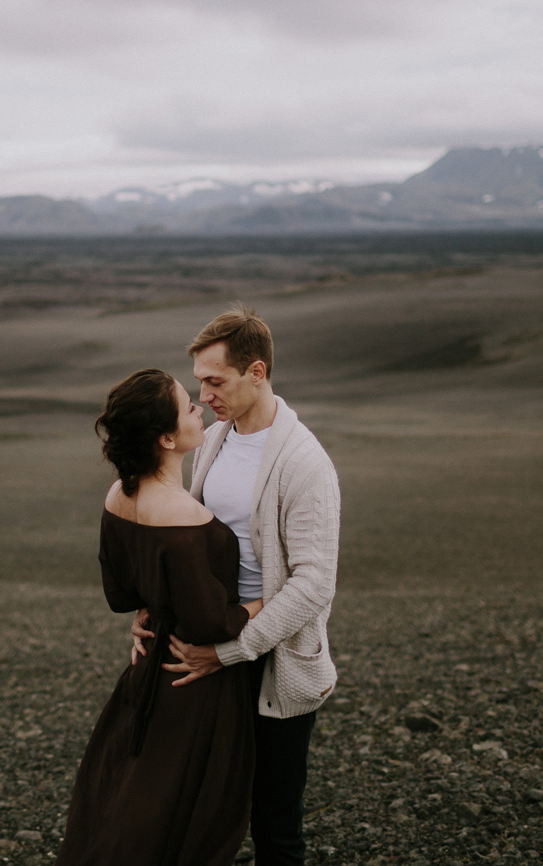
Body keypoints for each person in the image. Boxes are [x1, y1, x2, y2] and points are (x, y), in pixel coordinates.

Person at [135, 303, 341, 866]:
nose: (203, 397)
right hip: (208, 645)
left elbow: (315, 583)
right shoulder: (216, 441)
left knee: (275, 822)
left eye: (215, 381)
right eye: (199, 383)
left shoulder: (304, 462)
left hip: (267, 658)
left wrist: (230, 651)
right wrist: (154, 606)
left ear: (257, 373)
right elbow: (188, 539)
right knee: (200, 807)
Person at [56, 369, 265, 866]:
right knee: (180, 820)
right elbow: (213, 623)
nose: (200, 408)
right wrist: (264, 602)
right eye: (188, 406)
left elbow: (119, 592)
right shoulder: (182, 516)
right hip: (192, 684)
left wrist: (149, 607)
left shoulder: (117, 496)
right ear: (167, 438)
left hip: (146, 670)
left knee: (127, 801)